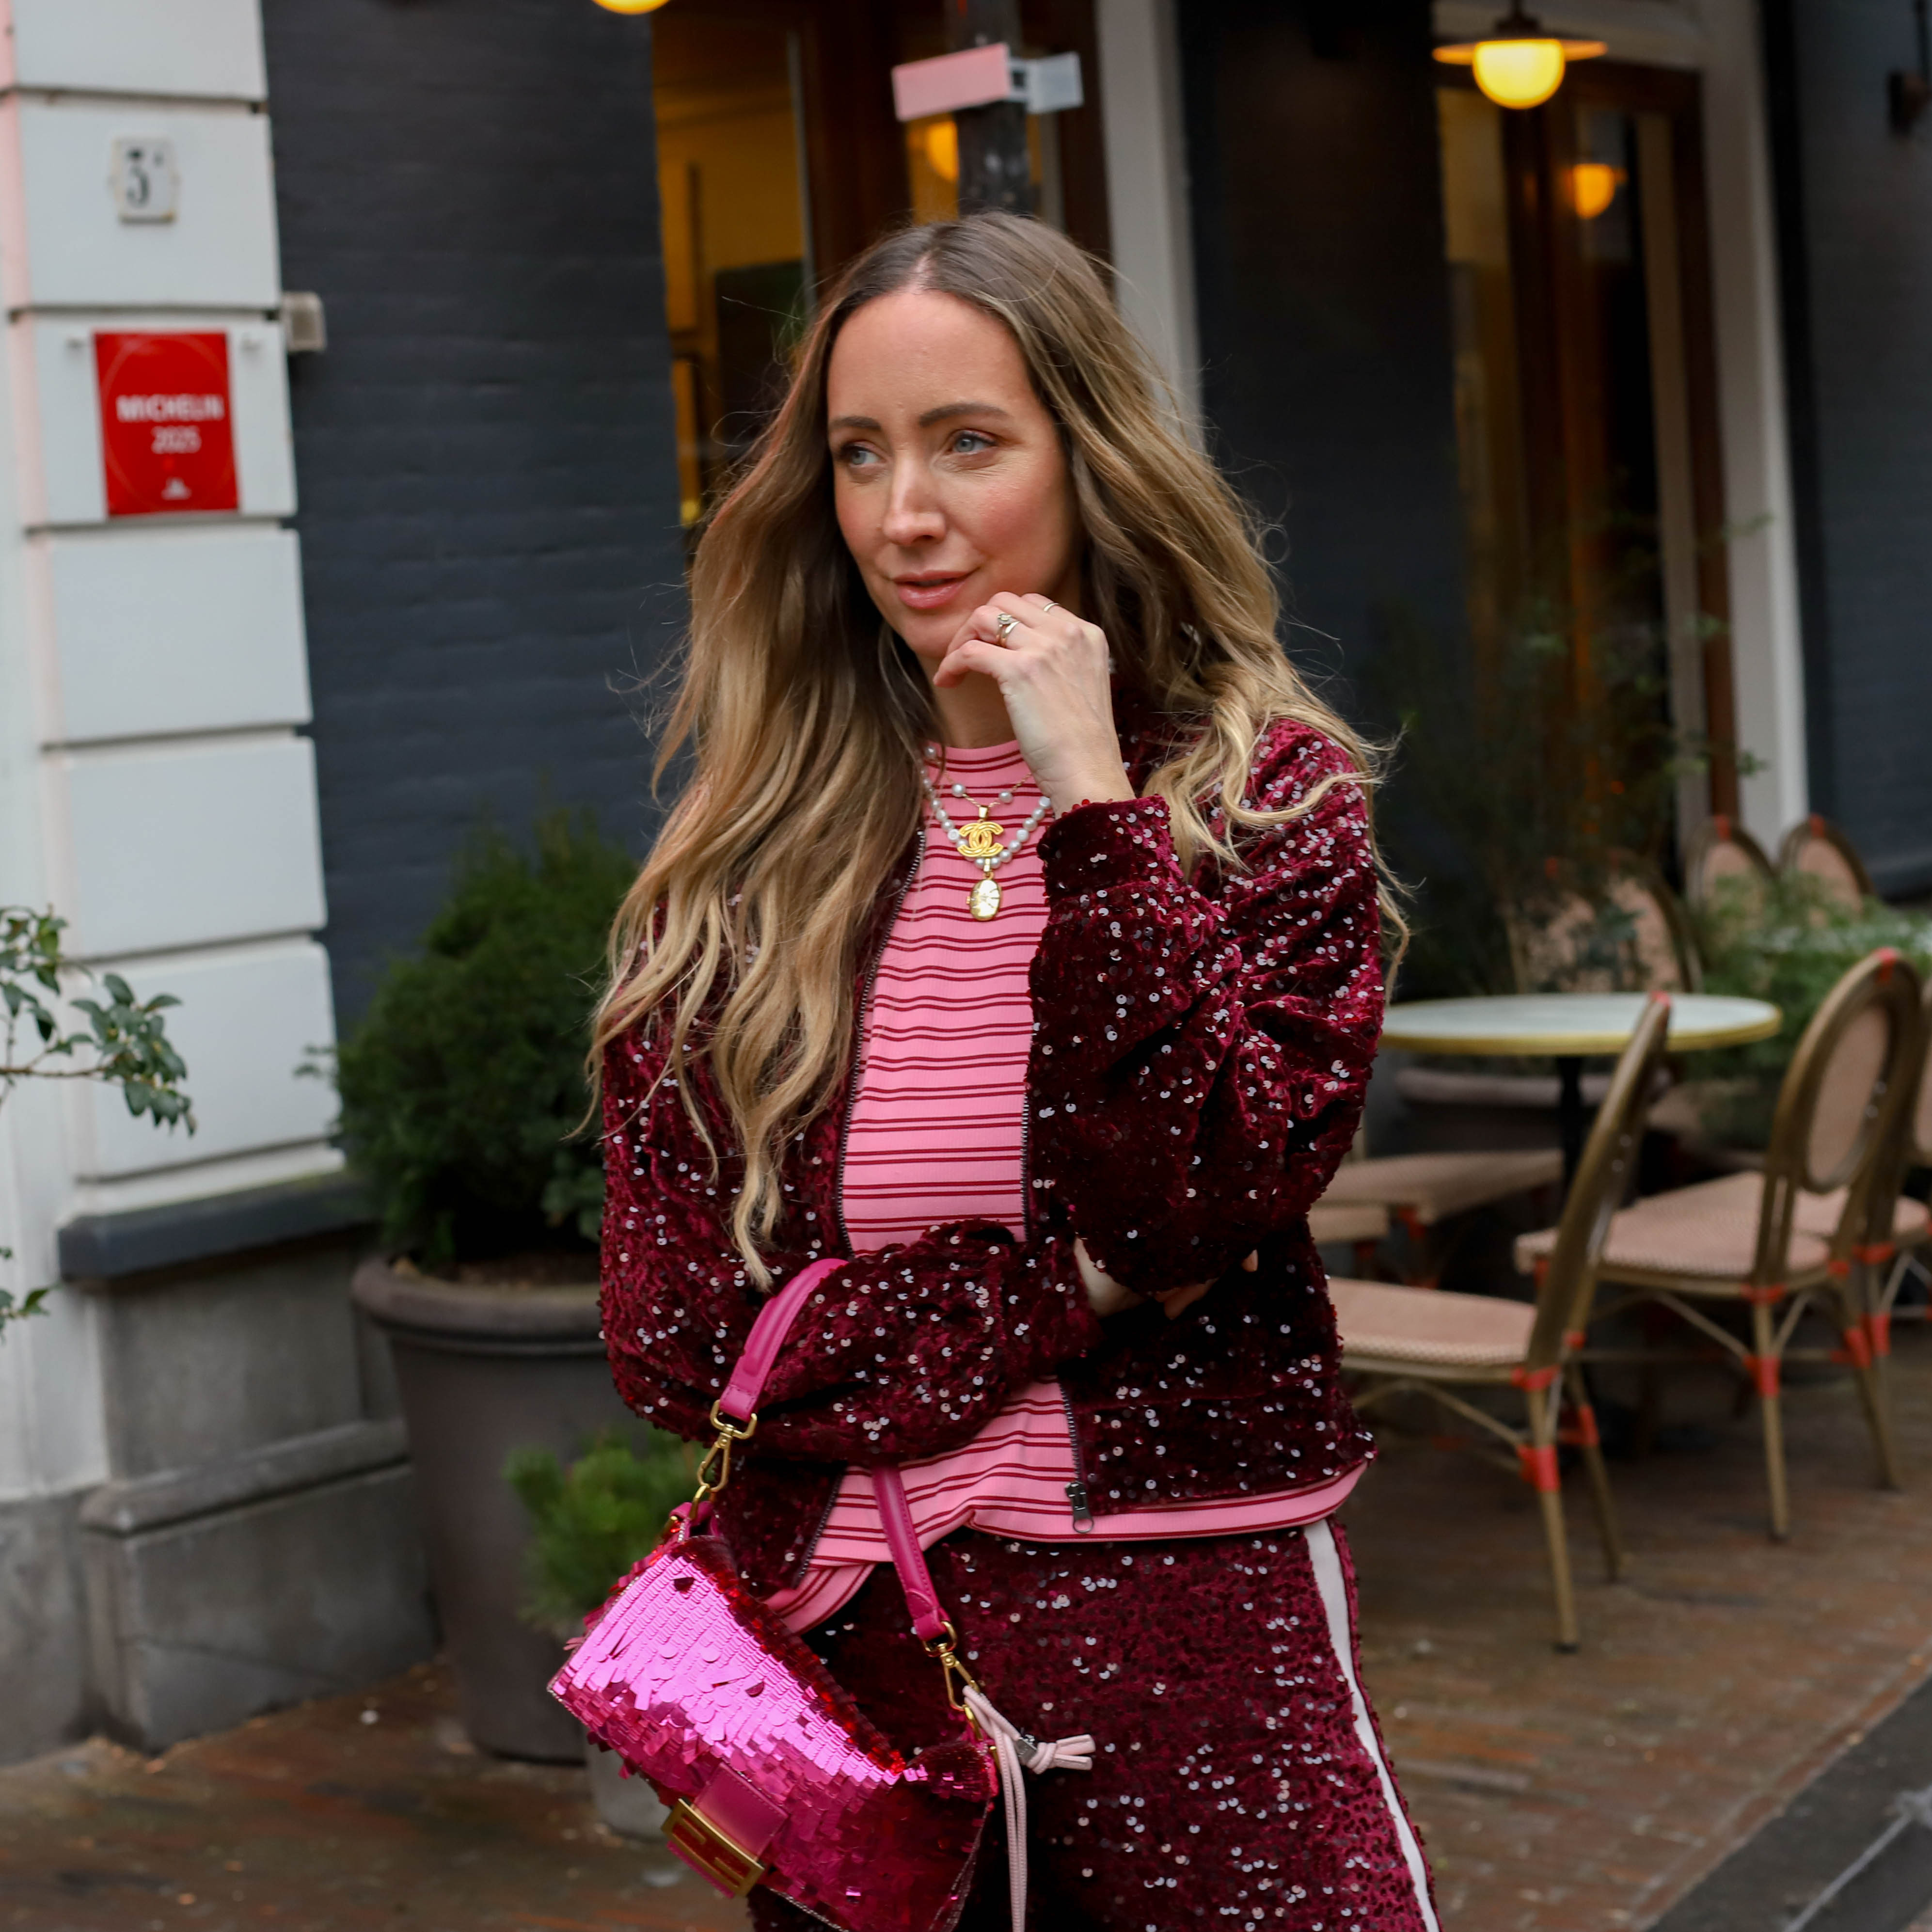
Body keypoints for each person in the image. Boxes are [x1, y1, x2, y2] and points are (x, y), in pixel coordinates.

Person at [593, 212, 1436, 1932]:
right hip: (848, 1659)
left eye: (967, 441)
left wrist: (1088, 801)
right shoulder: (747, 852)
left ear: (1088, 456)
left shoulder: (1260, 804)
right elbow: (676, 1334)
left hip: (1188, 1624)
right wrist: (1061, 1286)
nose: (903, 512)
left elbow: (1191, 1200)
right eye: (858, 454)